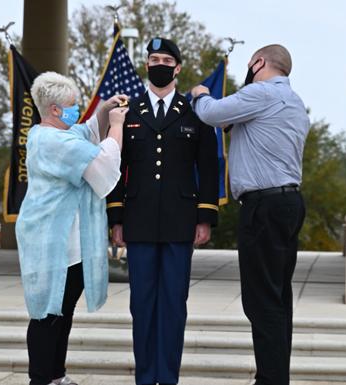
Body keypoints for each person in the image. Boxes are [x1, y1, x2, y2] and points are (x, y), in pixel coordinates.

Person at [191, 44, 309, 385]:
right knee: (278, 298)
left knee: (260, 302)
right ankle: (275, 377)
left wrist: (200, 93)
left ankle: (269, 380)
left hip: (264, 206)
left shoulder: (261, 92)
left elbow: (212, 113)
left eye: (250, 64)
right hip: (288, 203)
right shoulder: (295, 102)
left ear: (259, 63)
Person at [106, 37, 219, 385]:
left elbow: (209, 167)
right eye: (153, 58)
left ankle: (167, 377)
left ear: (178, 68)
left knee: (173, 304)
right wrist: (116, 217)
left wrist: (205, 217)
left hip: (179, 221)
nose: (158, 65)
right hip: (138, 222)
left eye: (165, 60)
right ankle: (145, 377)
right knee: (141, 304)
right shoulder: (130, 111)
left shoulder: (194, 112)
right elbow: (115, 166)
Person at [15, 71, 128, 385]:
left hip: (70, 246)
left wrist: (105, 108)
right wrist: (116, 127)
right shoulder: (52, 140)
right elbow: (102, 164)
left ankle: (56, 375)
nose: (76, 110)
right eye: (72, 105)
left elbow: (86, 130)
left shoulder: (60, 134)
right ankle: (40, 379)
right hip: (53, 244)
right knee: (47, 315)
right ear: (54, 110)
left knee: (63, 312)